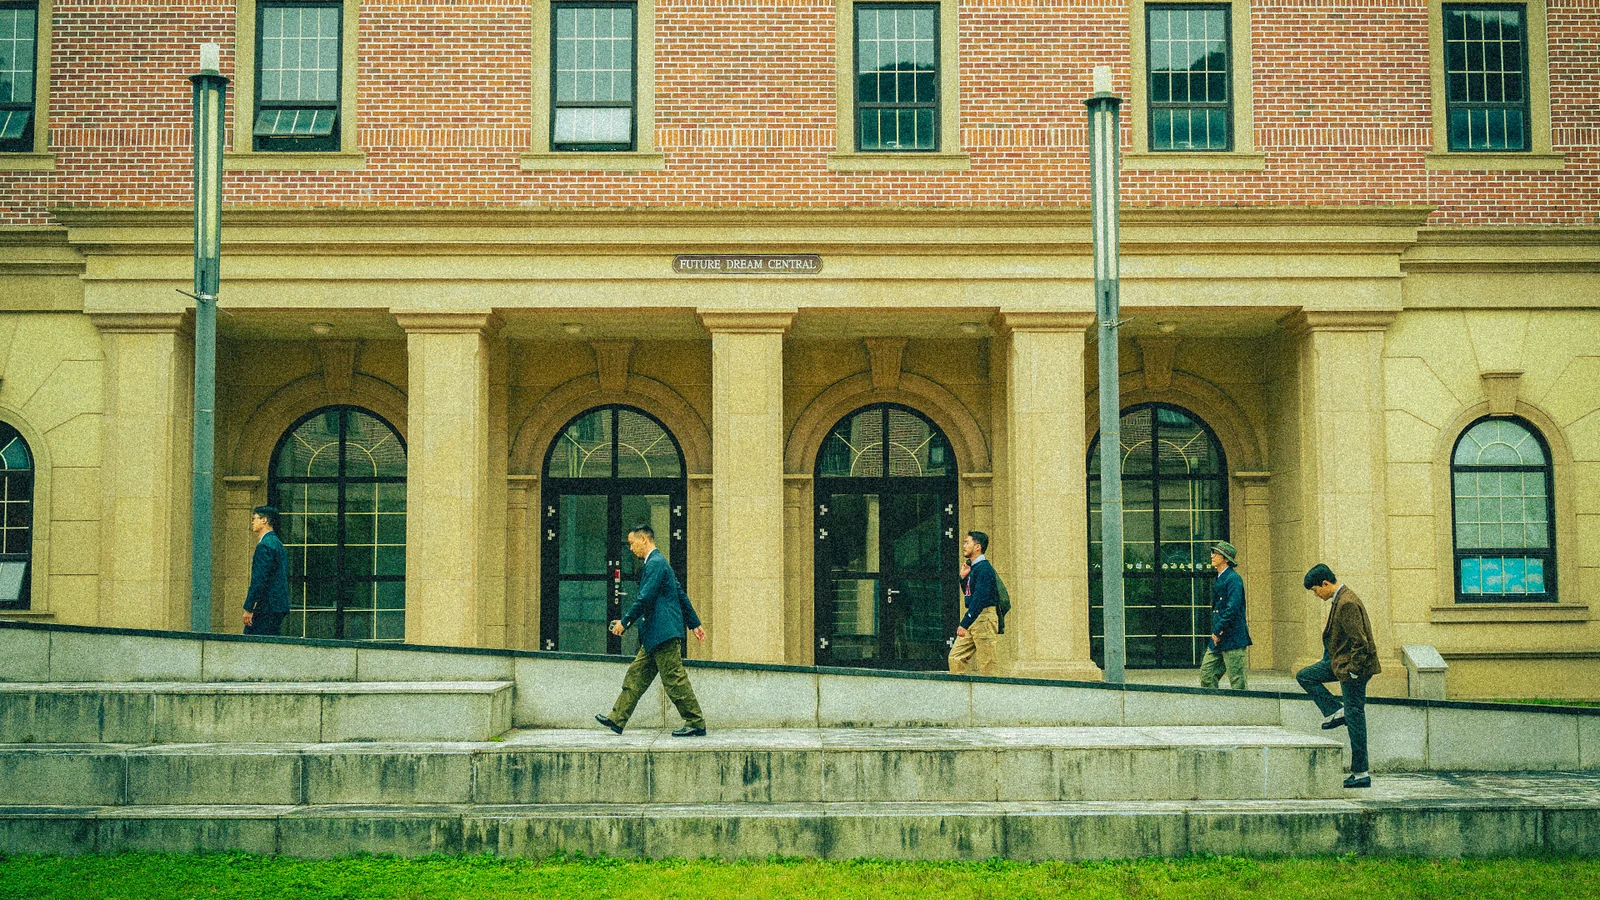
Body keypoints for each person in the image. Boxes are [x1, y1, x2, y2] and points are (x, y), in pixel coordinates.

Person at [596, 523, 708, 737]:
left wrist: (625, 623)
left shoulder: (655, 563)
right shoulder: (659, 563)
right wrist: (694, 623)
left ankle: (696, 722)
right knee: (635, 676)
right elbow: (680, 594)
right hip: (655, 635)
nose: (630, 548)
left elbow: (645, 598)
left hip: (663, 633)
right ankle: (617, 719)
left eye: (632, 543)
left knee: (674, 679)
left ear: (644, 540)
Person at [1298, 563, 1381, 789]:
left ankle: (1361, 772)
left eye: (1316, 590)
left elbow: (1360, 642)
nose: (1316, 595)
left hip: (1353, 670)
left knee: (1355, 720)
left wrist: (1353, 671)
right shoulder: (1341, 598)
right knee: (1305, 676)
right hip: (1339, 665)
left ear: (1325, 584)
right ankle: (1336, 710)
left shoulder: (1347, 603)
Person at [1199, 540, 1251, 690]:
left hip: (1233, 637)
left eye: (1216, 554)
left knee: (1237, 682)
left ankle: (1242, 711)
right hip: (1220, 638)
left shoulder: (1233, 579)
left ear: (1226, 559)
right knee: (1207, 675)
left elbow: (1232, 609)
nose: (1212, 556)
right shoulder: (1221, 577)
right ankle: (1215, 708)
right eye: (1212, 553)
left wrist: (1218, 631)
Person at [948, 530, 1000, 676]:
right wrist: (963, 578)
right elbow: (970, 594)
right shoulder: (974, 568)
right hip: (975, 616)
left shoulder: (984, 569)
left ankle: (989, 697)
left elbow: (980, 599)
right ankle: (963, 695)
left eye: (967, 542)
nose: (964, 546)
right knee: (956, 657)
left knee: (987, 664)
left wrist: (964, 623)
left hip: (983, 617)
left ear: (977, 547)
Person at [242, 505, 290, 636]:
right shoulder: (278, 544)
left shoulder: (264, 546)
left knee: (252, 644)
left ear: (264, 520)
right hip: (276, 606)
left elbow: (259, 579)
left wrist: (249, 607)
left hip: (266, 607)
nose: (252, 521)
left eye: (254, 518)